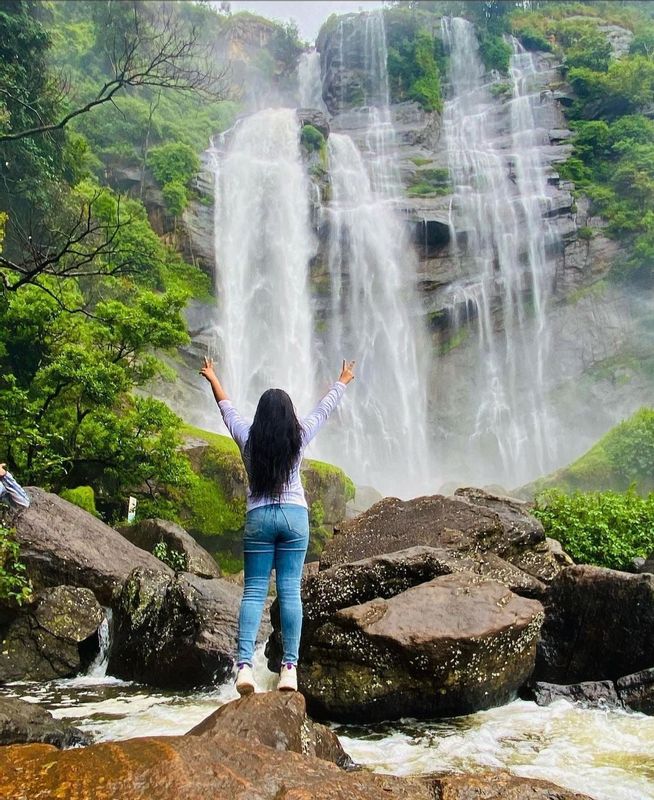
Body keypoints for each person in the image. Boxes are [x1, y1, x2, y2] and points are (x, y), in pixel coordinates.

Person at [200, 357, 355, 694]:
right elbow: (322, 411)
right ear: (288, 418)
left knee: (254, 592)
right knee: (289, 592)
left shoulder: (247, 438)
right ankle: (289, 670)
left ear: (260, 416)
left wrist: (213, 377)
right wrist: (342, 380)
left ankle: (243, 668)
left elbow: (226, 409)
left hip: (259, 518)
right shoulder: (297, 438)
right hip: (294, 517)